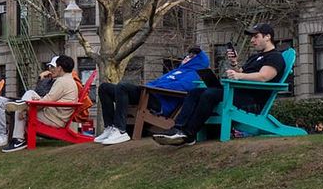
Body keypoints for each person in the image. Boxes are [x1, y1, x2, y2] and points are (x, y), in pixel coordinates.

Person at [153, 23, 286, 147]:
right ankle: (178, 128)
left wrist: (239, 76)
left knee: (209, 94)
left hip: (250, 100)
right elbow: (242, 73)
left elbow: (264, 77)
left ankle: (189, 134)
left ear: (268, 37)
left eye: (256, 37)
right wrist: (234, 64)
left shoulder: (275, 57)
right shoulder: (255, 57)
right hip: (237, 93)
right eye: (252, 37)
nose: (252, 40)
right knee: (195, 92)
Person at [95, 45, 210, 145]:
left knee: (123, 87)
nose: (186, 57)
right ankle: (110, 127)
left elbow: (183, 87)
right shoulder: (176, 71)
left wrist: (156, 87)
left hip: (159, 102)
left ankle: (120, 130)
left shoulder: (194, 74)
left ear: (197, 61)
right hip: (149, 93)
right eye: (187, 55)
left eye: (191, 56)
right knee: (105, 88)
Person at [2, 54, 79, 153]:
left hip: (54, 118)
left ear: (60, 68)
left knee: (20, 109)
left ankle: (18, 140)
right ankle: (22, 106)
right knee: (30, 94)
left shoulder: (62, 81)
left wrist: (28, 109)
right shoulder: (68, 80)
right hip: (55, 113)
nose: (52, 69)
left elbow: (48, 99)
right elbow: (50, 99)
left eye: (55, 66)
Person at [0, 60, 58, 150]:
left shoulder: (59, 83)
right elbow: (38, 92)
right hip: (25, 101)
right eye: (50, 67)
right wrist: (41, 79)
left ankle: (3, 135)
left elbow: (46, 97)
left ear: (60, 69)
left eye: (53, 67)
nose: (51, 69)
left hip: (35, 106)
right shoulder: (47, 80)